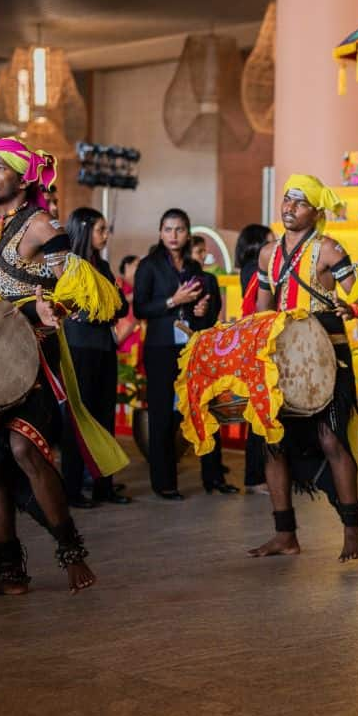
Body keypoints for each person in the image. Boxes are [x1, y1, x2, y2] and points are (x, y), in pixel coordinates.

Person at [0, 138, 123, 596]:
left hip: (31, 358)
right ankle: (10, 570)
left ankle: (72, 552)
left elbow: (72, 290)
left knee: (25, 450)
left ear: (24, 179)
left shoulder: (44, 228)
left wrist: (49, 312)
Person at [248, 176, 358, 560]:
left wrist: (355, 307)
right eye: (287, 200)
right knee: (274, 443)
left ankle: (351, 531)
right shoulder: (268, 254)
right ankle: (285, 534)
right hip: (283, 354)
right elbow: (263, 310)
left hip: (326, 351)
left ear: (316, 211)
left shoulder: (329, 250)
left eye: (299, 203)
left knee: (332, 439)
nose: (289, 208)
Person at [131, 209, 229, 499]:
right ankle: (164, 483)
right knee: (162, 414)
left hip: (191, 347)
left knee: (203, 409)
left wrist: (201, 311)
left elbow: (206, 315)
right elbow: (140, 308)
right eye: (168, 229)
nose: (174, 236)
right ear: (160, 232)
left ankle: (213, 477)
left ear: (188, 233)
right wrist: (174, 300)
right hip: (160, 347)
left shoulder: (195, 269)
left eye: (180, 230)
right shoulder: (149, 266)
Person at [60, 208, 131, 508]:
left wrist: (98, 309)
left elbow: (122, 307)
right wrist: (99, 310)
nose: (105, 234)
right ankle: (72, 489)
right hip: (79, 349)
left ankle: (104, 486)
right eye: (101, 229)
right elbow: (68, 306)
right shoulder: (67, 265)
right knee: (79, 420)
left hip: (104, 347)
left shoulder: (101, 265)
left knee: (104, 419)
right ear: (85, 229)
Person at [234, 223, 275, 492]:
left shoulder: (257, 269)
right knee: (259, 411)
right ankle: (255, 477)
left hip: (263, 341)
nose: (277, 247)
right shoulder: (255, 270)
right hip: (257, 345)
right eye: (271, 243)